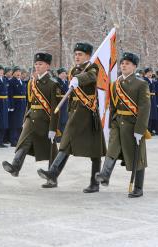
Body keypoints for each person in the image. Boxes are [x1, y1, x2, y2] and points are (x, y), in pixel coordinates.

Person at [37, 43, 107, 191]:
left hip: (87, 112)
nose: (77, 57)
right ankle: (54, 173)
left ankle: (92, 183)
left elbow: (90, 76)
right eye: (76, 54)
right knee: (68, 143)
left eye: (80, 54)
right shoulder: (73, 70)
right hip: (75, 111)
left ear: (88, 56)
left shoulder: (92, 67)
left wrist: (79, 79)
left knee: (92, 149)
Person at [95, 52, 151, 198]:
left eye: (127, 63)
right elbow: (113, 106)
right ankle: (105, 175)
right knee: (112, 150)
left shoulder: (141, 84)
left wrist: (140, 130)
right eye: (122, 63)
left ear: (134, 66)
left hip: (133, 125)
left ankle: (138, 188)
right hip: (117, 123)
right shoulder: (115, 84)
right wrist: (111, 123)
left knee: (137, 156)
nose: (124, 65)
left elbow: (144, 108)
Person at [2, 52, 61, 188]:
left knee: (51, 149)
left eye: (40, 64)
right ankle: (15, 166)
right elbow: (29, 103)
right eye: (36, 64)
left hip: (45, 119)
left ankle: (52, 178)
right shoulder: (32, 82)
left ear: (47, 66)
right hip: (31, 117)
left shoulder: (53, 84)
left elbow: (55, 109)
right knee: (23, 142)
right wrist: (25, 119)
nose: (37, 66)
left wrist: (53, 128)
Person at [8, 66, 27, 147]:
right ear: (14, 73)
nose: (18, 73)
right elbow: (10, 95)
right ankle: (13, 140)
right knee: (14, 123)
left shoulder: (22, 82)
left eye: (19, 71)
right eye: (17, 71)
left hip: (22, 104)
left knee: (20, 123)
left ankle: (19, 139)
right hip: (15, 104)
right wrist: (11, 105)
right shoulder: (12, 81)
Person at [56, 67, 69, 140]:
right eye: (63, 73)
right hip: (60, 102)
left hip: (66, 102)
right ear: (59, 75)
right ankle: (58, 137)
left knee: (65, 119)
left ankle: (64, 136)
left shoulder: (66, 81)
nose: (65, 75)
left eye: (65, 73)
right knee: (60, 120)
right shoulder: (57, 82)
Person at [143, 68, 157, 135]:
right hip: (147, 98)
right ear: (145, 73)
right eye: (149, 72)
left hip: (153, 99)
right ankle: (146, 130)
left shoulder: (152, 80)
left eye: (151, 72)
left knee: (152, 115)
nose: (150, 74)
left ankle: (150, 129)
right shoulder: (144, 80)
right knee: (147, 115)